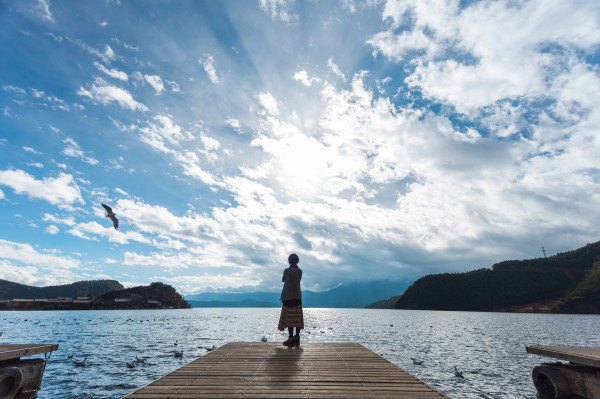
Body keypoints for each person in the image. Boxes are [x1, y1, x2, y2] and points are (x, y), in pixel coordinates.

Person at [278, 253, 304, 346]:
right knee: (297, 317)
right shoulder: (300, 271)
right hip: (297, 296)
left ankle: (290, 338)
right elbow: (298, 280)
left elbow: (283, 280)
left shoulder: (286, 271)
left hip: (287, 296)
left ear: (289, 261)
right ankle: (297, 338)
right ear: (297, 261)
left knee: (289, 318)